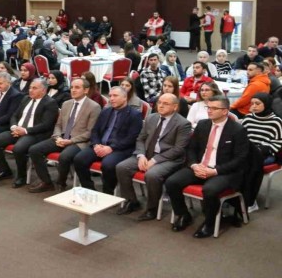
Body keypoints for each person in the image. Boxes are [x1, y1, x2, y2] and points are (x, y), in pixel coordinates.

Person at [165, 97, 249, 238]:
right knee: (172, 182)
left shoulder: (237, 130)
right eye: (208, 107)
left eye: (214, 108)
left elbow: (240, 159)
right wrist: (194, 165)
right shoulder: (203, 124)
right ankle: (183, 215)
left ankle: (209, 223)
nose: (209, 110)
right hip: (200, 166)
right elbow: (191, 149)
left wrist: (215, 171)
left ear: (225, 111)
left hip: (223, 171)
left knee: (209, 190)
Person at [116, 93, 192, 220]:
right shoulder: (151, 118)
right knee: (122, 167)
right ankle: (132, 201)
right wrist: (141, 155)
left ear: (175, 107)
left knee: (152, 175)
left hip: (169, 159)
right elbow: (140, 139)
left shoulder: (183, 124)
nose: (160, 106)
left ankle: (152, 209)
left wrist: (155, 160)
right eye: (159, 102)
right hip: (147, 154)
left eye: (165, 103)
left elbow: (178, 149)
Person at [28, 78, 102, 192]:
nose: (73, 90)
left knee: (64, 156)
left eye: (77, 87)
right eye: (71, 87)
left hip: (79, 141)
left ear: (86, 90)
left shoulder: (94, 107)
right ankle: (46, 182)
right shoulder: (66, 104)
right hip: (62, 138)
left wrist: (70, 141)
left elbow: (90, 132)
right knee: (34, 150)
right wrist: (58, 136)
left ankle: (61, 183)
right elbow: (58, 125)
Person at [0, 79, 59, 186]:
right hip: (17, 130)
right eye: (30, 87)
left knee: (18, 149)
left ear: (43, 90)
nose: (30, 90)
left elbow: (46, 125)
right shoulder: (26, 98)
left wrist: (25, 131)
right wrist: (14, 127)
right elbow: (15, 115)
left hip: (34, 133)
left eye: (34, 88)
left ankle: (21, 176)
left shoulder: (50, 103)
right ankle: (5, 170)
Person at [73, 87, 143, 194]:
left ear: (125, 98)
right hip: (100, 145)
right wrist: (96, 144)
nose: (111, 99)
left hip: (120, 149)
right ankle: (89, 189)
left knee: (107, 165)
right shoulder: (106, 111)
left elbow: (131, 138)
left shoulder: (134, 115)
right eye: (110, 96)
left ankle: (107, 193)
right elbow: (95, 130)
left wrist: (111, 148)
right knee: (79, 159)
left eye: (115, 96)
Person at [240, 93, 282, 211]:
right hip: (248, 151)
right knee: (233, 162)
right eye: (252, 103)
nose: (254, 106)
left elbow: (278, 143)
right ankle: (236, 196)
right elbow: (241, 137)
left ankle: (250, 200)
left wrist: (262, 149)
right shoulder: (248, 118)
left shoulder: (276, 121)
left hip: (267, 153)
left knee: (251, 164)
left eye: (257, 103)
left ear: (266, 104)